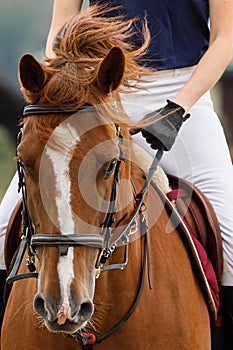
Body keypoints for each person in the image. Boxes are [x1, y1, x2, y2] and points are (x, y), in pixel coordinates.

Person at [0, 0, 233, 346]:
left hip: (186, 98)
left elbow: (224, 39)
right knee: (4, 222)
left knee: (230, 239)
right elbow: (59, 32)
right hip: (99, 90)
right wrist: (63, 89)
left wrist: (179, 107)